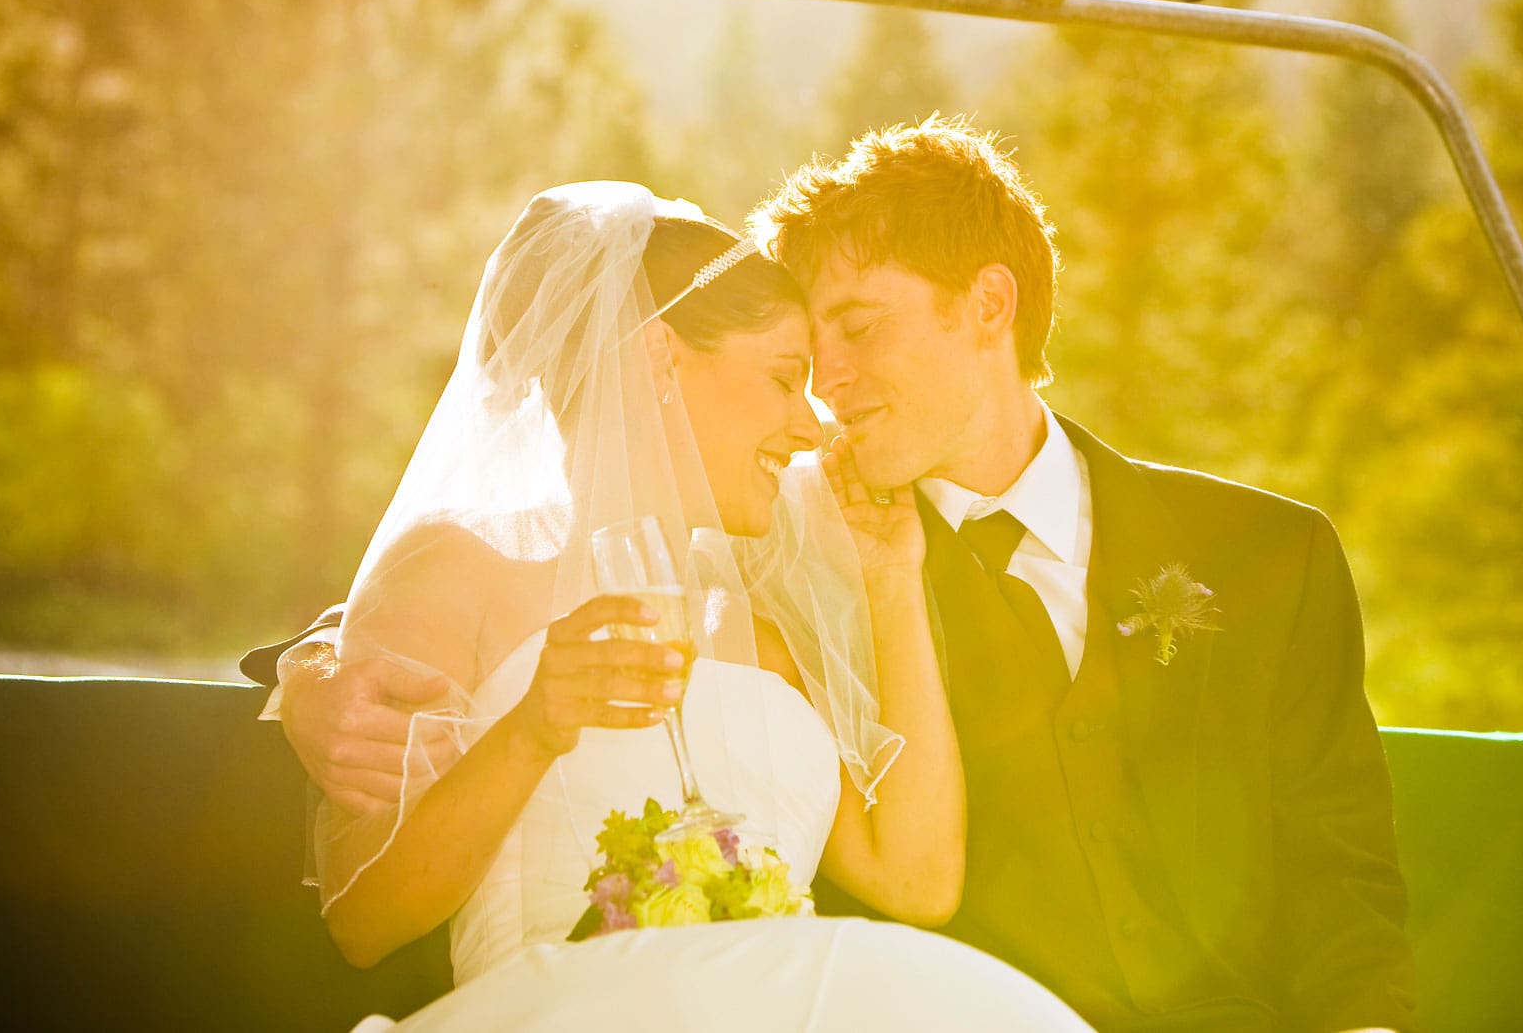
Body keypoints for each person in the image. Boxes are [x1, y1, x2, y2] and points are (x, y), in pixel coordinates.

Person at [263, 123, 1417, 1031]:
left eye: (856, 331)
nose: (826, 394)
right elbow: (496, 604)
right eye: (800, 361)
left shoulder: (1268, 553)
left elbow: (1339, 860)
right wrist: (311, 672)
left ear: (988, 306)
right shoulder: (792, 531)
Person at [282, 180, 1088, 1031]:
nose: (811, 426)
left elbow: (918, 878)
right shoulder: (455, 567)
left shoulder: (768, 621)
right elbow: (364, 920)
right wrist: (532, 729)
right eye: (785, 378)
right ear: (660, 358)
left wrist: (892, 575)